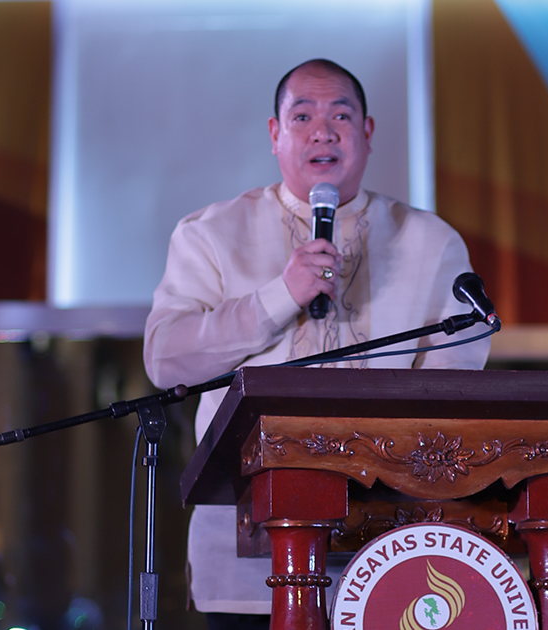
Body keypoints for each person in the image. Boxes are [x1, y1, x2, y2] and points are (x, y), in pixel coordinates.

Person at [143, 58, 490, 630]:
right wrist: (281, 296)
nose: (322, 131)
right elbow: (165, 359)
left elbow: (453, 398)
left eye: (340, 115)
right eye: (301, 116)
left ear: (368, 133)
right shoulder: (209, 234)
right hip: (245, 568)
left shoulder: (431, 243)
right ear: (276, 135)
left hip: (388, 559)